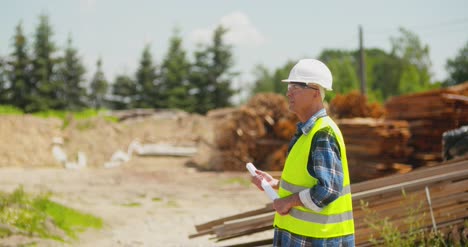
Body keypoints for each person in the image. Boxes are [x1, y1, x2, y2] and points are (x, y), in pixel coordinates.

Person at [251, 59, 355, 246]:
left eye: (296, 87)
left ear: (315, 92)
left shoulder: (323, 133)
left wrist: (288, 202)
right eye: (289, 86)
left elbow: (328, 190)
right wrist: (274, 183)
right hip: (300, 236)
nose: (288, 92)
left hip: (319, 239)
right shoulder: (307, 132)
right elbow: (307, 180)